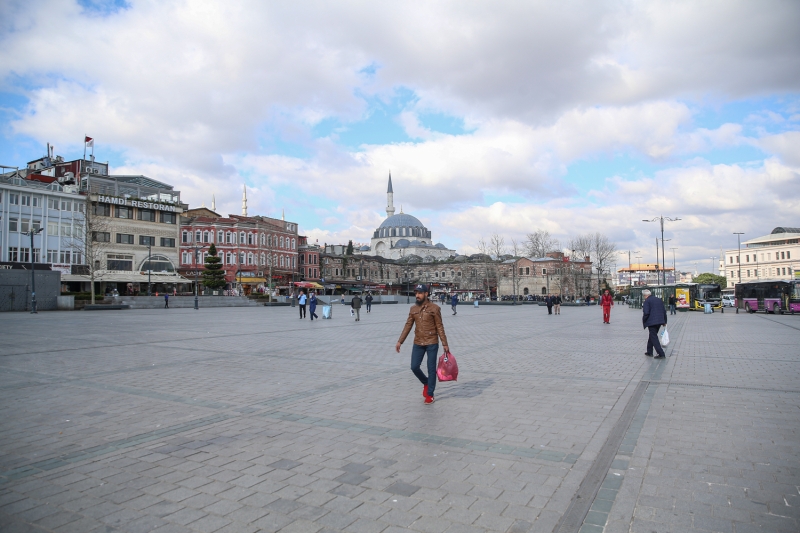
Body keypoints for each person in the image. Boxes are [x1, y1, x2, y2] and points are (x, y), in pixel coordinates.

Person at [395, 285, 449, 405]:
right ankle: (426, 382)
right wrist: (400, 341)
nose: (417, 295)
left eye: (419, 293)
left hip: (432, 342)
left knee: (431, 369)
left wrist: (444, 343)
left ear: (426, 294)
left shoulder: (435, 308)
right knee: (414, 367)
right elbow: (408, 325)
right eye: (416, 293)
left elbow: (439, 326)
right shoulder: (413, 309)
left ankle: (430, 394)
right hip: (418, 342)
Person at [642, 289, 667, 358]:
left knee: (654, 337)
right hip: (659, 321)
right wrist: (665, 321)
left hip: (651, 321)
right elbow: (664, 311)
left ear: (645, 295)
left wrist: (644, 320)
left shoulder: (647, 301)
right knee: (652, 335)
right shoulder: (659, 300)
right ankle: (649, 351)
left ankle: (661, 353)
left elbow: (646, 313)